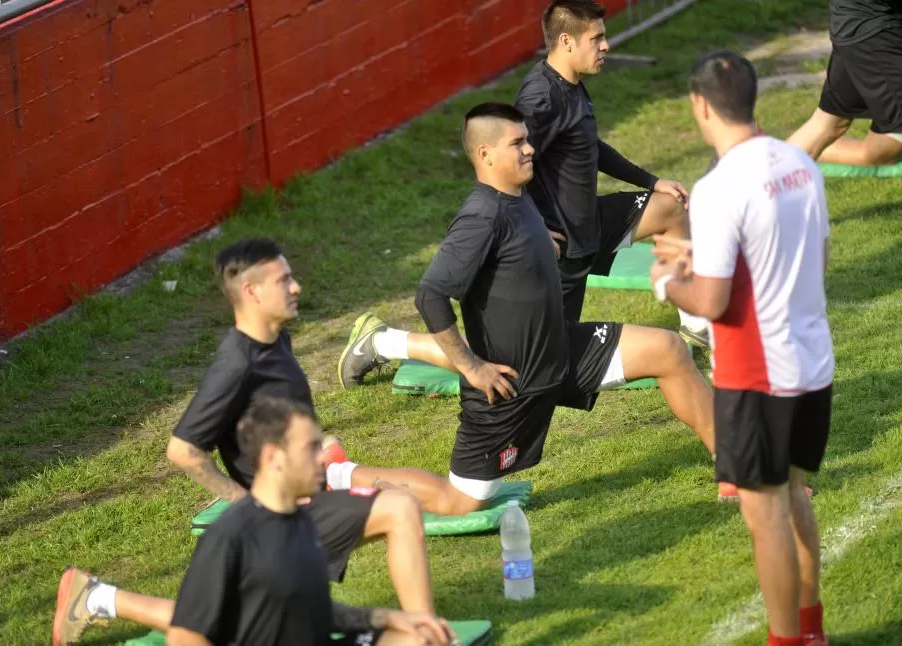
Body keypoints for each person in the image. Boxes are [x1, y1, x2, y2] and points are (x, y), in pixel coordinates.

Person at [327, 102, 717, 516]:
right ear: (485, 155)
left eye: (527, 139)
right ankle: (339, 472)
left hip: (564, 353)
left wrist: (537, 241)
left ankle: (738, 470)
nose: (530, 149)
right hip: (513, 388)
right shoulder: (480, 218)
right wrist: (475, 369)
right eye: (517, 143)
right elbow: (431, 295)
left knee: (670, 352)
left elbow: (517, 235)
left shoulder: (516, 196)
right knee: (459, 501)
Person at [51, 239, 438, 644]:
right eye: (284, 279)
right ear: (251, 292)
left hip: (296, 499)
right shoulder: (237, 364)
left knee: (240, 614)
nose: (296, 287)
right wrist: (244, 502)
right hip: (277, 510)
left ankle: (99, 598)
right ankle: (424, 629)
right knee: (398, 509)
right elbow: (182, 449)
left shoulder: (276, 340)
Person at [337, 1, 712, 391]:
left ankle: (698, 330)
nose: (606, 45)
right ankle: (382, 342)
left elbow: (589, 146)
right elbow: (505, 170)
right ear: (566, 41)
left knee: (670, 206)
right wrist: (533, 231)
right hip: (559, 247)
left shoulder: (572, 86)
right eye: (597, 37)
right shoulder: (539, 98)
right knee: (521, 368)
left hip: (591, 225)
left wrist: (650, 181)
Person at [652, 51, 833, 646]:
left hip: (757, 376)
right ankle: (811, 631)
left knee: (767, 519)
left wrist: (668, 281)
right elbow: (812, 258)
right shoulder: (801, 163)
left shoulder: (718, 187)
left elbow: (711, 301)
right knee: (794, 494)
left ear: (700, 106)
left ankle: (785, 640)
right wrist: (700, 261)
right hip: (812, 365)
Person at [53, 397, 456, 646]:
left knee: (419, 639)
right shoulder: (233, 538)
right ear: (272, 458)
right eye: (311, 448)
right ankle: (98, 597)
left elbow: (315, 612)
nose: (323, 457)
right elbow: (186, 637)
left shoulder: (301, 523)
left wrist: (393, 616)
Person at [787, 0, 902, 167]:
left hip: (856, 24)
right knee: (828, 126)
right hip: (873, 30)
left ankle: (762, 171)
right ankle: (761, 175)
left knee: (829, 124)